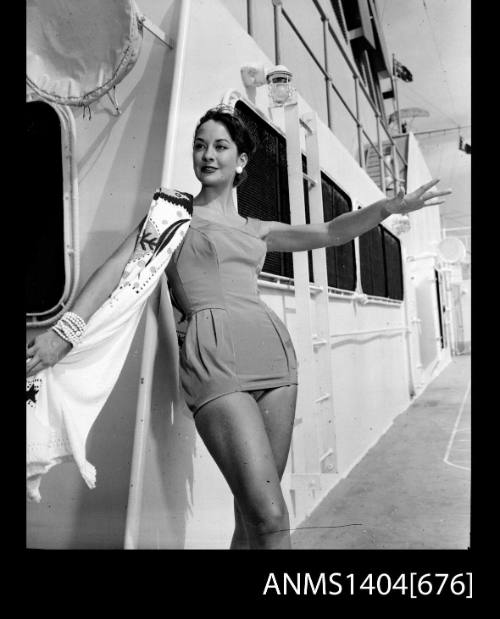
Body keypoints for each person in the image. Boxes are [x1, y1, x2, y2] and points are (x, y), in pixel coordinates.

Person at [26, 105, 451, 549]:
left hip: (274, 359)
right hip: (213, 362)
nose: (207, 155)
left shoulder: (258, 228)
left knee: (251, 516)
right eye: (200, 145)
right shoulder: (172, 215)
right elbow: (117, 268)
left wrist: (387, 207)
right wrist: (64, 331)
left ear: (241, 161)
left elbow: (329, 231)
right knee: (271, 518)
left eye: (220, 146)